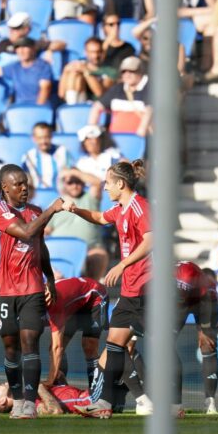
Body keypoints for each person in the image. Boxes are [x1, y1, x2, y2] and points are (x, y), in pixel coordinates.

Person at [62, 160, 151, 419]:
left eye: (108, 182)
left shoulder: (140, 207)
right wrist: (75, 210)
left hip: (147, 288)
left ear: (120, 184)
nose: (105, 186)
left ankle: (162, 401)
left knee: (130, 345)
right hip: (131, 290)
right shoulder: (120, 208)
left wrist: (122, 264)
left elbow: (151, 240)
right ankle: (111, 403)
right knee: (115, 344)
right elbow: (100, 218)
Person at [0, 164, 65, 419]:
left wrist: (50, 278)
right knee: (11, 349)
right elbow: (26, 232)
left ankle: (30, 404)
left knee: (30, 343)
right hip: (6, 290)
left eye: (26, 183)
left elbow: (40, 247)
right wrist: (53, 210)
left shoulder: (35, 211)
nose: (24, 188)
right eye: (18, 184)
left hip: (32, 288)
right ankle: (18, 400)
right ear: (4, 187)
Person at [43, 276, 107, 389]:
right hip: (74, 305)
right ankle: (60, 387)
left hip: (95, 296)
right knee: (53, 348)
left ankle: (96, 390)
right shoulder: (35, 302)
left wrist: (49, 380)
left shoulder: (53, 304)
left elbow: (58, 347)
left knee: (89, 346)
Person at [176, 261, 218, 415]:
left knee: (208, 344)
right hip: (180, 299)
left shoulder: (204, 286)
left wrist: (205, 330)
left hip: (204, 299)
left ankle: (210, 402)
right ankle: (174, 403)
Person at [48, 168, 109, 280]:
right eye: (70, 182)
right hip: (60, 250)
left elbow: (97, 183)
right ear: (65, 185)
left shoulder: (90, 198)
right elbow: (47, 229)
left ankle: (91, 287)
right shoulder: (56, 202)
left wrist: (73, 172)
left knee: (99, 255)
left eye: (78, 181)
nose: (75, 185)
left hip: (90, 248)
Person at [87, 56, 152, 136]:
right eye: (124, 72)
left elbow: (149, 111)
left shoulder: (150, 89)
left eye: (131, 71)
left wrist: (141, 131)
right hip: (115, 140)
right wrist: (92, 129)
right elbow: (97, 107)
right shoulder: (117, 89)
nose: (127, 75)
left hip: (139, 140)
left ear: (140, 71)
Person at [0, 381, 101, 416]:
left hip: (91, 393)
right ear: (2, 401)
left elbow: (65, 397)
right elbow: (54, 411)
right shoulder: (27, 408)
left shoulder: (27, 395)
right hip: (93, 400)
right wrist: (38, 387)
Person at [58, 36, 115, 104]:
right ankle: (72, 106)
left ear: (103, 52)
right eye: (91, 52)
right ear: (85, 52)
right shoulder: (78, 65)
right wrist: (65, 71)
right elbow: (61, 94)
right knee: (74, 75)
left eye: (98, 52)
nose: (95, 56)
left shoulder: (110, 71)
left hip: (96, 105)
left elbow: (100, 94)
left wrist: (86, 72)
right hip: (77, 100)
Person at [22, 122, 71, 190]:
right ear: (34, 138)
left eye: (46, 137)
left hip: (60, 195)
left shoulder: (63, 151)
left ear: (51, 136)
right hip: (36, 196)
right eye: (40, 138)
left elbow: (71, 171)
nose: (43, 141)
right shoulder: (28, 156)